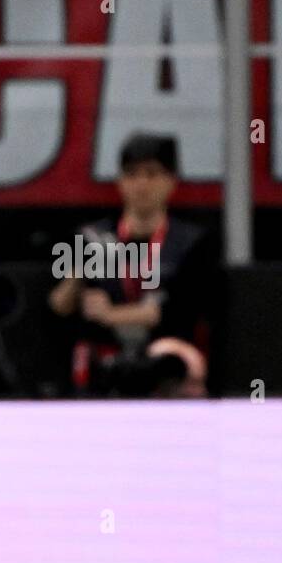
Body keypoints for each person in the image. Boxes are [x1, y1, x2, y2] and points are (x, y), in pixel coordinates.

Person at [47, 133, 215, 396]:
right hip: (106, 362)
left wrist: (110, 314)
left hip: (166, 362)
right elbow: (59, 305)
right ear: (120, 182)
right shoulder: (92, 237)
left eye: (152, 174)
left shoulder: (190, 243)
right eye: (132, 174)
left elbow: (177, 311)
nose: (142, 184)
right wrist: (79, 271)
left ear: (171, 182)